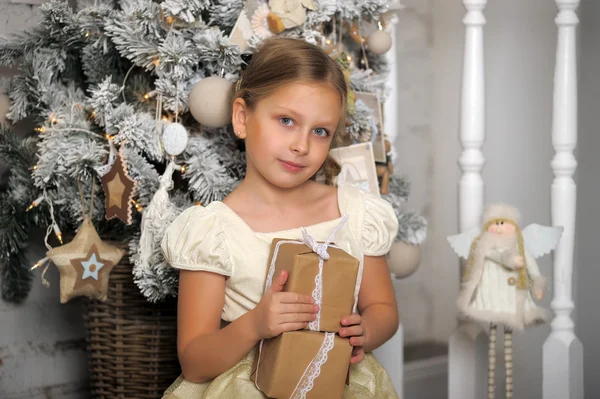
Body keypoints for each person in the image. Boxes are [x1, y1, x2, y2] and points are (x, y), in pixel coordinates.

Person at [160, 37, 400, 398]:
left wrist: (367, 329)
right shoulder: (214, 231)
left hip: (338, 381)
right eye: (286, 120)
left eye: (320, 131)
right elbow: (194, 360)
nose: (301, 145)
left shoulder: (354, 213)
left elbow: (383, 309)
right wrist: (255, 325)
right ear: (242, 118)